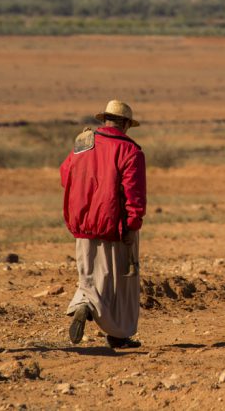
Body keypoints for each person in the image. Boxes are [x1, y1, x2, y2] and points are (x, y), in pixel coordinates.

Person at [61, 99, 147, 349]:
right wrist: (133, 224)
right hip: (116, 226)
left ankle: (83, 304)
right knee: (120, 281)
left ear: (105, 120)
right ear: (126, 125)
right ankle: (118, 335)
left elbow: (65, 175)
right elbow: (134, 194)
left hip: (83, 223)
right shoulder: (130, 151)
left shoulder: (82, 143)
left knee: (88, 274)